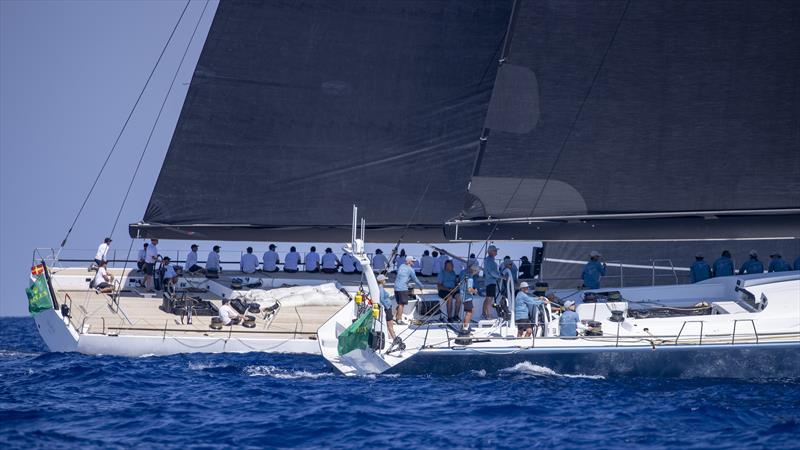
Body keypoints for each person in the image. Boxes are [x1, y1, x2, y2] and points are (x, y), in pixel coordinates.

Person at [394, 256, 424, 325]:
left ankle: (396, 317)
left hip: (396, 287)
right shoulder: (411, 269)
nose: (413, 262)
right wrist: (421, 286)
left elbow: (402, 276)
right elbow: (415, 279)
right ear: (409, 261)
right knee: (401, 305)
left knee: (399, 304)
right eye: (413, 261)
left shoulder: (401, 266)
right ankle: (399, 320)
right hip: (402, 288)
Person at [458, 263, 480, 332]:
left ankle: (466, 325)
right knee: (469, 312)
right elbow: (469, 289)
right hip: (467, 298)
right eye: (477, 271)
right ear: (474, 271)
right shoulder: (470, 279)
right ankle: (465, 328)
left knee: (472, 310)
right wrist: (475, 291)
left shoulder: (466, 276)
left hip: (464, 296)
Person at [482, 245, 501, 320]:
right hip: (491, 282)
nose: (496, 252)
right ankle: (488, 315)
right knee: (490, 299)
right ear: (490, 252)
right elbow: (492, 272)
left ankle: (484, 313)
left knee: (487, 298)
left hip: (489, 281)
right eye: (494, 250)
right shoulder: (489, 261)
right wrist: (500, 276)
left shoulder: (489, 260)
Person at [376, 274, 396, 341]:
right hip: (388, 308)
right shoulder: (381, 288)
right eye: (385, 280)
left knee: (390, 323)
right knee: (390, 324)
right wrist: (387, 306)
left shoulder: (380, 287)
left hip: (388, 307)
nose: (386, 281)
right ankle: (394, 338)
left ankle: (390, 336)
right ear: (382, 281)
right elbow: (381, 299)